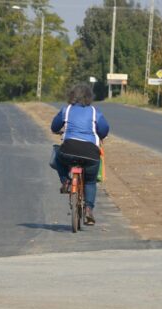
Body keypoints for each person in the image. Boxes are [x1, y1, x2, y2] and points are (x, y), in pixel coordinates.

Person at [51, 84, 109, 225]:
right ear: (89, 97)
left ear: (72, 96)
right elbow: (104, 130)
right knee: (90, 181)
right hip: (90, 153)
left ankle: (65, 180)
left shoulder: (67, 110)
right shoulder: (95, 112)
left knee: (57, 154)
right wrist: (99, 135)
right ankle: (89, 209)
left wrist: (61, 130)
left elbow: (54, 127)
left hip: (69, 150)